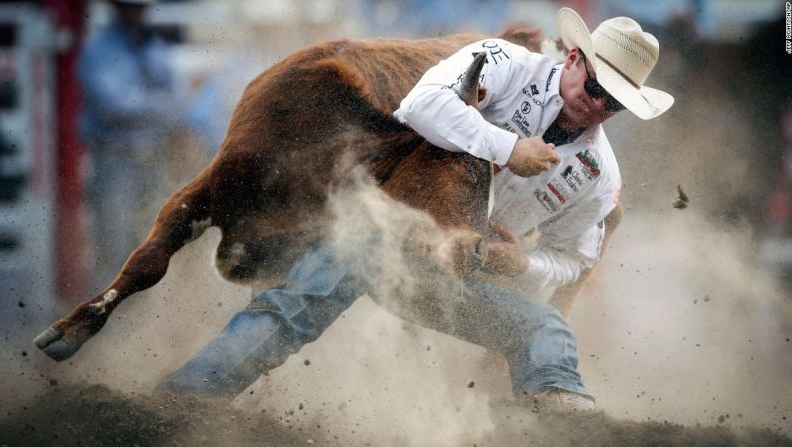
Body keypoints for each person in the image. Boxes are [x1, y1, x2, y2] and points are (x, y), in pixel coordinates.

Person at [155, 8, 673, 411]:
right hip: (391, 226)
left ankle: (559, 428)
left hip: (457, 271)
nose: (599, 105)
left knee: (547, 330)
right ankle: (185, 400)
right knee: (297, 305)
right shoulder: (503, 62)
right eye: (598, 88)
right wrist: (509, 149)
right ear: (575, 59)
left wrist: (525, 265)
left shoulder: (600, 175)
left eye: (616, 102)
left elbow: (574, 259)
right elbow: (421, 105)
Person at [78, 0, 183, 287]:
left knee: (153, 238)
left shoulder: (153, 48)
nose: (135, 12)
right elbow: (115, 107)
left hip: (151, 156)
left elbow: (176, 103)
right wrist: (158, 107)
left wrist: (149, 107)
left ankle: (144, 318)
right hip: (116, 157)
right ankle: (107, 317)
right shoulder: (100, 50)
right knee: (114, 241)